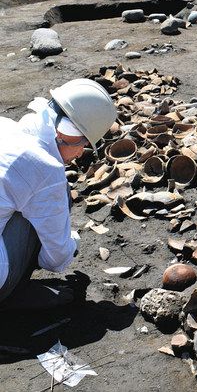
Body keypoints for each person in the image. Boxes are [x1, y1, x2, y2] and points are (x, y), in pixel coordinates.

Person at [0, 79, 117, 310]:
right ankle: (13, 296)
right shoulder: (45, 168)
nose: (81, 153)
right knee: (54, 197)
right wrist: (72, 241)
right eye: (84, 144)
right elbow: (55, 260)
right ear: (69, 133)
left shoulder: (4, 127)